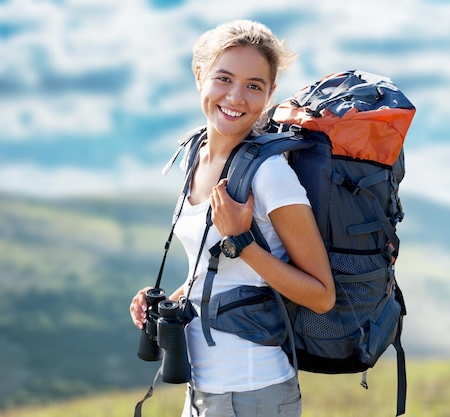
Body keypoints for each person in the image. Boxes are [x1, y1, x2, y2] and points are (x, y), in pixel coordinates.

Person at [129, 20, 335, 417]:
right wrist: (167, 301)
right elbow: (216, 272)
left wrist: (242, 241)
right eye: (224, 78)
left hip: (252, 391)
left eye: (254, 85)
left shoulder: (270, 174)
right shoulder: (196, 154)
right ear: (199, 76)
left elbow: (322, 295)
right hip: (203, 387)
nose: (236, 97)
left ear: (270, 93)